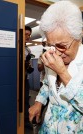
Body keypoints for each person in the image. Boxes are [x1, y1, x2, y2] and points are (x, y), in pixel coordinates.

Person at [29, 1, 83, 133]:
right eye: (51, 45)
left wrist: (63, 72)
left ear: (79, 37)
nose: (56, 52)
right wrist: (39, 102)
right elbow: (48, 83)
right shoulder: (52, 55)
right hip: (48, 128)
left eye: (62, 46)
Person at [25, 26, 34, 128]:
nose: (27, 36)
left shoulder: (28, 49)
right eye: (26, 34)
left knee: (26, 99)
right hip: (16, 79)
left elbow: (29, 65)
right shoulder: (16, 46)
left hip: (25, 78)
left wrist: (28, 66)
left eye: (29, 35)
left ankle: (26, 120)